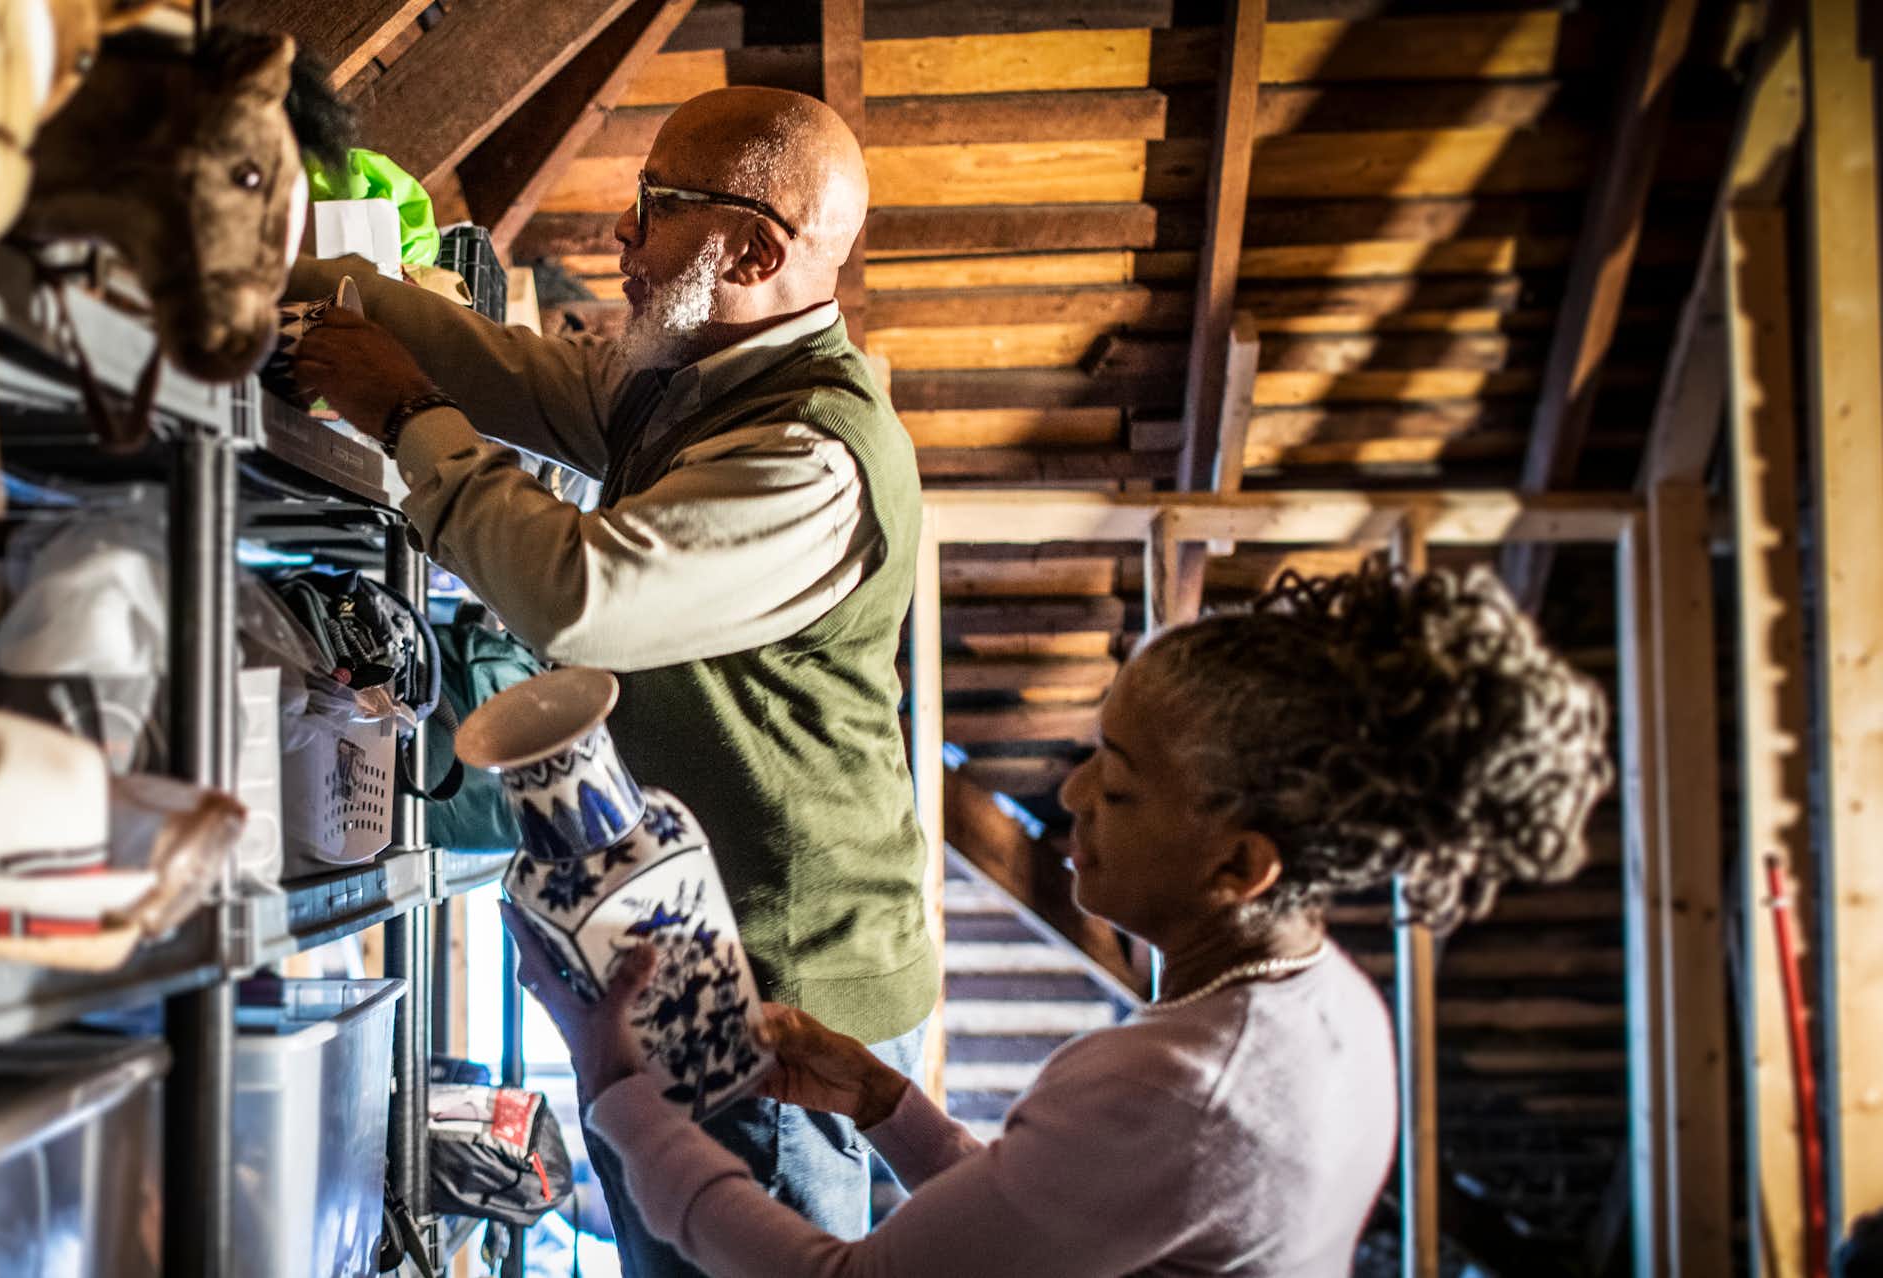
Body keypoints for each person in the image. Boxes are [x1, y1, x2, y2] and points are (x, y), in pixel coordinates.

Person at [510, 567, 1617, 1276]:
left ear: (1239, 864)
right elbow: (1062, 1228)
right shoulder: (1331, 1007)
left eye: (1121, 784)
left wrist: (618, 1093)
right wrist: (886, 1105)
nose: (1074, 797)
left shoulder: (1180, 1084)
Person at [287, 86, 933, 1271]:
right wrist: (310, 280)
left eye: (654, 209)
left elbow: (576, 596)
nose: (620, 243)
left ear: (753, 247)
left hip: (770, 1002)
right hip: (687, 960)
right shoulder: (696, 377)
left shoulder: (808, 456)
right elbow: (513, 372)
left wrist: (407, 414)